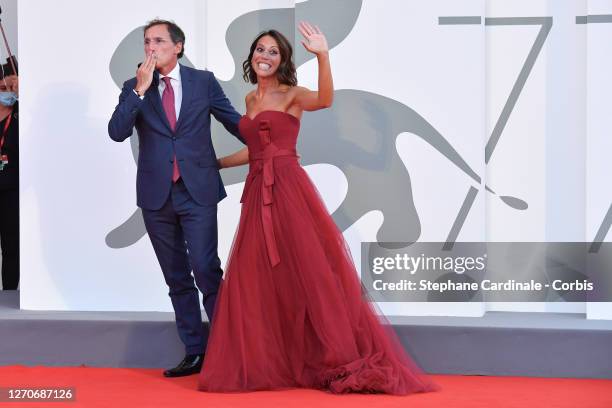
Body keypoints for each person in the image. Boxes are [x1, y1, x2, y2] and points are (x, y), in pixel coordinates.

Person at [198, 23, 437, 394]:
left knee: (311, 272)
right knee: (258, 278)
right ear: (252, 56)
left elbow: (325, 99)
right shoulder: (249, 100)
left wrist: (324, 55)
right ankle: (275, 361)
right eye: (260, 49)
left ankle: (335, 355)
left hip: (289, 192)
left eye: (273, 52)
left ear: (283, 61)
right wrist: (219, 163)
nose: (264, 55)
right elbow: (258, 149)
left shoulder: (293, 95)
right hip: (259, 190)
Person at [108, 19, 244, 377]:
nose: (151, 48)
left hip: (197, 189)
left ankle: (228, 349)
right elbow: (116, 132)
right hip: (156, 195)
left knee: (205, 269)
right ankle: (196, 351)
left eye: (158, 41)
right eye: (146, 42)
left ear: (178, 47)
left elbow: (234, 121)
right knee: (176, 277)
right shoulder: (134, 86)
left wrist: (271, 137)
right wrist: (139, 90)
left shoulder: (203, 82)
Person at [0, 72, 19, 291]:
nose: (9, 93)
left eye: (12, 88)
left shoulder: (19, 116)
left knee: (11, 246)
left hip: (12, 190)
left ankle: (10, 293)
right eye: (4, 89)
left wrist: (22, 93)